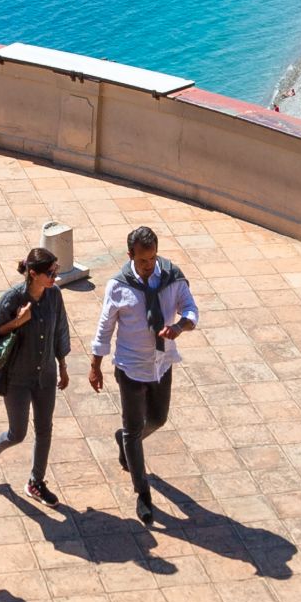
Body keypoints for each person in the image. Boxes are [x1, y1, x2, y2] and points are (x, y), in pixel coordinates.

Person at [90, 226, 199, 527]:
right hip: (131, 367)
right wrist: (95, 364)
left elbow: (191, 310)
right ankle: (143, 494)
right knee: (134, 429)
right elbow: (104, 328)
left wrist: (180, 327)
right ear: (130, 256)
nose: (149, 266)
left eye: (152, 259)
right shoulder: (118, 287)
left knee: (159, 418)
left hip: (161, 363)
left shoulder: (172, 278)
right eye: (143, 261)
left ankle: (125, 441)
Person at [0, 247, 72, 503]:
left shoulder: (55, 296)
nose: (54, 277)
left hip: (46, 376)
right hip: (17, 379)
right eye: (50, 273)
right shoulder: (13, 299)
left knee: (45, 429)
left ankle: (36, 482)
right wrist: (18, 321)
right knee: (17, 433)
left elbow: (60, 330)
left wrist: (62, 365)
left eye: (56, 271)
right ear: (33, 273)